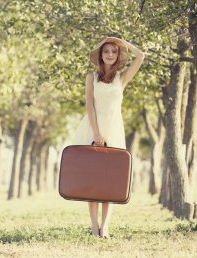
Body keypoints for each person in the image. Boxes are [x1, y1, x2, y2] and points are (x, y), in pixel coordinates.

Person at [71, 36, 144, 239]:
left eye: (113, 51)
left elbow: (141, 56)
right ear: (101, 56)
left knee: (110, 181)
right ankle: (94, 226)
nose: (110, 55)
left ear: (118, 54)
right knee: (93, 179)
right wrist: (96, 133)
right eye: (106, 51)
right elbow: (89, 106)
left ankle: (105, 227)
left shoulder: (122, 78)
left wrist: (122, 42)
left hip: (114, 128)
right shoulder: (91, 77)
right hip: (93, 128)